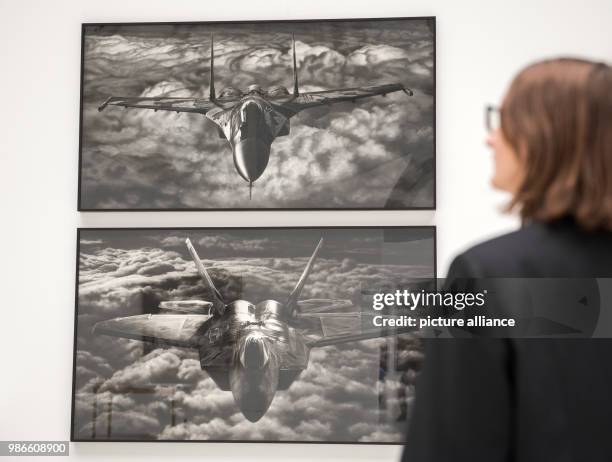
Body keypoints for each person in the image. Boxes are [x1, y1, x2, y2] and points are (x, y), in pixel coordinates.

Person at [402, 58, 612, 461]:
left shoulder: (489, 276)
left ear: (546, 137)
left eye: (504, 120)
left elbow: (447, 451)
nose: (491, 138)